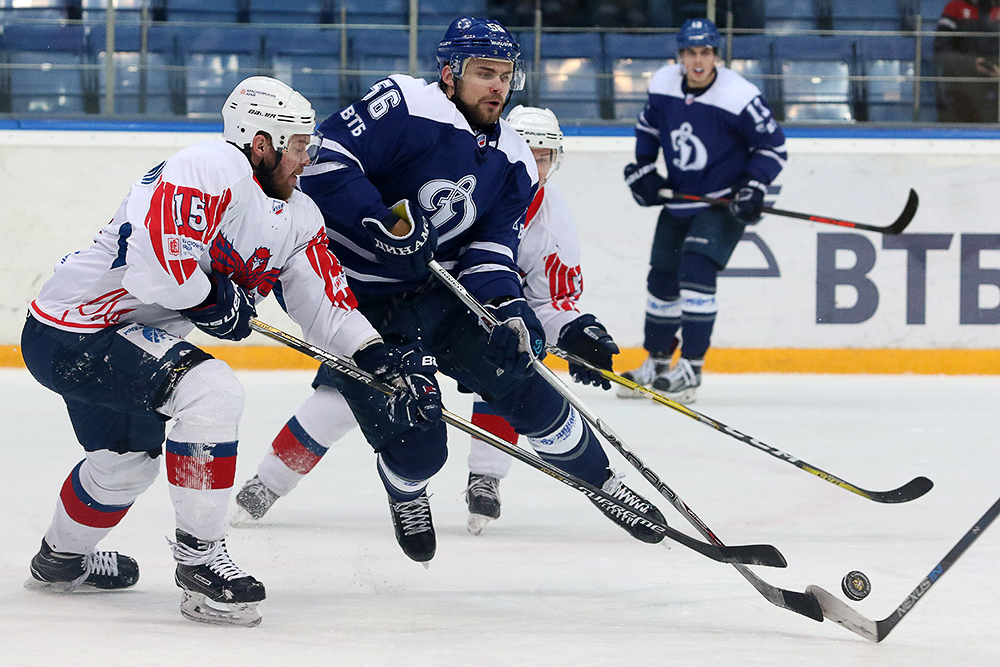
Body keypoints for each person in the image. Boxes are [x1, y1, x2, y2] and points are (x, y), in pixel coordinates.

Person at [232, 17, 665, 564]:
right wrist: (382, 223)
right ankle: (407, 489)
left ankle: (602, 484)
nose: (497, 87)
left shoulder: (512, 158)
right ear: (449, 73)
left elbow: (492, 249)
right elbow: (324, 161)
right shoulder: (404, 104)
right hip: (363, 302)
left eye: (505, 76)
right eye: (484, 73)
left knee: (526, 384)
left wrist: (509, 308)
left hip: (444, 295)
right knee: (418, 445)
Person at [20, 76, 442, 627]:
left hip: (121, 338)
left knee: (124, 462)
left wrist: (372, 354)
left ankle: (59, 560)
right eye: (296, 145)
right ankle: (199, 564)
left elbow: (326, 304)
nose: (305, 158)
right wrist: (209, 299)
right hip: (72, 328)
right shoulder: (209, 166)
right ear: (260, 141)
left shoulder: (299, 216)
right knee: (211, 391)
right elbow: (158, 264)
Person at [464, 105, 618, 535]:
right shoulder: (469, 185)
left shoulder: (553, 222)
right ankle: (269, 482)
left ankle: (486, 476)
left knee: (508, 365)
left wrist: (575, 332)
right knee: (347, 391)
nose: (533, 165)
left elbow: (549, 302)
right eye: (524, 151)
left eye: (543, 155)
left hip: (493, 312)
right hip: (425, 300)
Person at [618, 17, 786, 405]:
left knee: (695, 270)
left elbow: (773, 147)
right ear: (680, 56)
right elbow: (649, 129)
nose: (698, 60)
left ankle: (691, 367)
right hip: (679, 199)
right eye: (691, 52)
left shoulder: (738, 95)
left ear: (717, 56)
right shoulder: (662, 84)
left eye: (705, 52)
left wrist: (753, 185)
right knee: (661, 280)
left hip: (722, 201)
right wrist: (644, 170)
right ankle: (658, 362)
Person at [934, 0, 1000, 123]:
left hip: (994, 87)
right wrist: (972, 64)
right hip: (962, 86)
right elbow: (941, 49)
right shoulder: (955, 7)